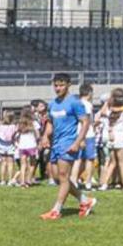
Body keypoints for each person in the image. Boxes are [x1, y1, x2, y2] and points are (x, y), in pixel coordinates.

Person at [38, 73, 97, 220]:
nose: (58, 88)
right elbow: (50, 123)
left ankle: (56, 210)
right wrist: (45, 136)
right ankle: (85, 200)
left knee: (64, 177)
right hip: (56, 144)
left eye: (61, 85)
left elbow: (85, 122)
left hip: (68, 143)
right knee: (58, 177)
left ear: (69, 85)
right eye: (56, 85)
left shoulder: (75, 103)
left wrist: (77, 142)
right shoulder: (52, 104)